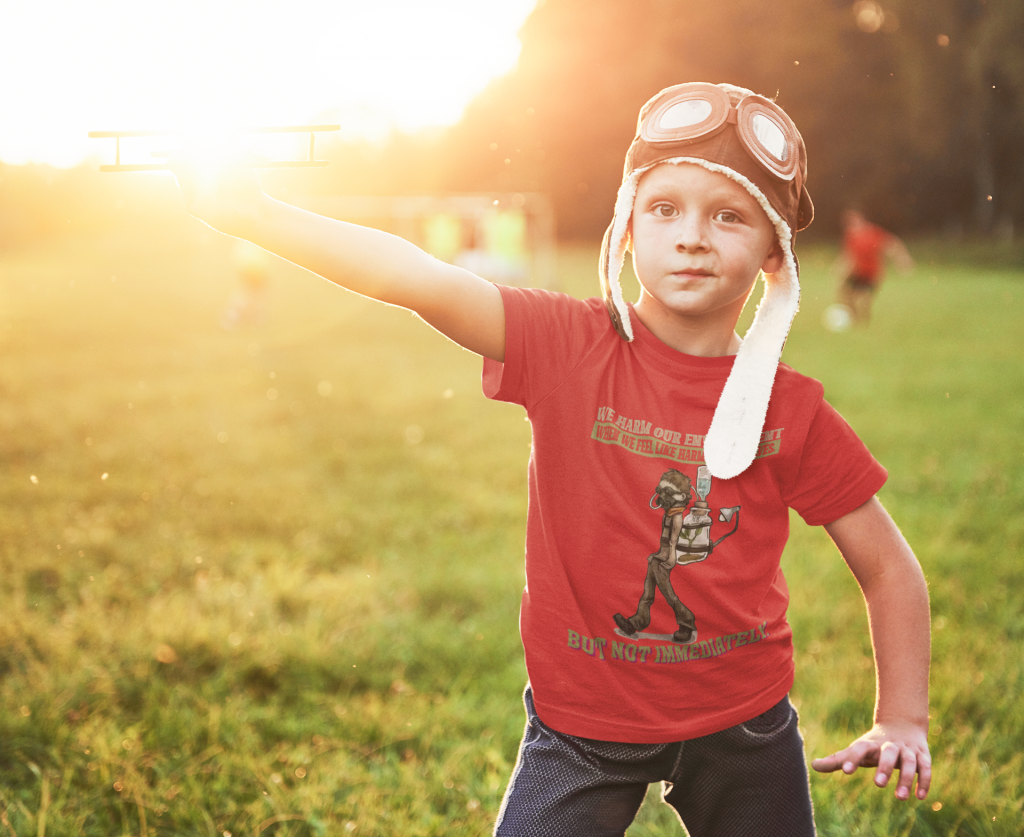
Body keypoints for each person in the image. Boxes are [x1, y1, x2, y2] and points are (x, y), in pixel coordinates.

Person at [172, 82, 932, 836]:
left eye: (728, 216)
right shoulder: (565, 344)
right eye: (665, 208)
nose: (693, 235)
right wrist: (258, 216)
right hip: (581, 727)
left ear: (772, 251)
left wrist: (902, 716)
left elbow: (889, 568)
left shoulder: (790, 409)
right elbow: (419, 278)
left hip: (745, 723)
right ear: (628, 228)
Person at [835, 209, 914, 324]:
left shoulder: (873, 233)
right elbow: (848, 255)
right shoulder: (850, 236)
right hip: (857, 272)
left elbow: (892, 245)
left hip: (872, 272)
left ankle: (864, 322)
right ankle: (854, 319)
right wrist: (839, 268)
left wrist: (903, 261)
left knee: (863, 300)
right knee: (845, 294)